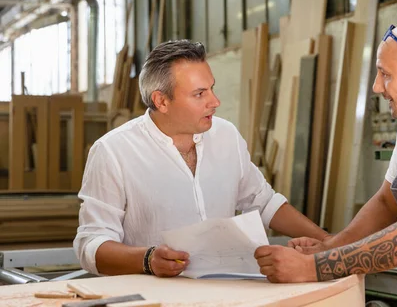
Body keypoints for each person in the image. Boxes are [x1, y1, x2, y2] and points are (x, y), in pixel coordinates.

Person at [255, 21, 397, 306]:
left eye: (385, 74)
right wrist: (331, 246)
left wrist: (312, 268)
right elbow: (386, 202)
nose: (376, 86)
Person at [74, 40, 329, 277]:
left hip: (226, 289)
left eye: (212, 88)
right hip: (154, 298)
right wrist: (148, 259)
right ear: (161, 101)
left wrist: (331, 244)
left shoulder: (226, 135)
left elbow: (263, 202)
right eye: (199, 94)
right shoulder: (113, 151)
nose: (215, 102)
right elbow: (91, 244)